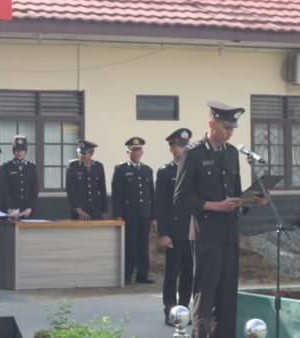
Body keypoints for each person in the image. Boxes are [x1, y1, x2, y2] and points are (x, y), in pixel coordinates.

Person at [174, 102, 268, 338]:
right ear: (212, 124)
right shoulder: (193, 154)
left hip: (229, 235)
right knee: (205, 296)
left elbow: (234, 197)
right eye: (226, 127)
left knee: (227, 297)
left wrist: (250, 200)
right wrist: (214, 206)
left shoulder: (231, 153)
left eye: (232, 127)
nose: (230, 132)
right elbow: (181, 198)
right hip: (206, 235)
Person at [156, 128, 194, 325]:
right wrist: (163, 233)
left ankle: (184, 310)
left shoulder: (194, 169)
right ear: (172, 148)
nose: (184, 148)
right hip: (174, 231)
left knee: (189, 273)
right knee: (172, 273)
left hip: (192, 230)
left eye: (186, 145)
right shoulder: (165, 172)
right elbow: (160, 206)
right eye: (180, 145)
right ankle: (170, 311)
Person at [112, 137, 156, 284]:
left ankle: (142, 274)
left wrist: (153, 217)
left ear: (142, 151)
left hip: (144, 213)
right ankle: (127, 274)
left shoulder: (147, 170)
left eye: (139, 150)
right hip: (128, 214)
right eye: (133, 150)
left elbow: (151, 194)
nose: (136, 153)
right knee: (129, 245)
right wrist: (117, 214)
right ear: (128, 152)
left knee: (143, 245)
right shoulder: (121, 169)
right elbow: (117, 194)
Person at [65, 140, 108, 220]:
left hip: (95, 210)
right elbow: (70, 190)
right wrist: (78, 209)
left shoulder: (98, 166)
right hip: (79, 212)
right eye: (79, 153)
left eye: (84, 153)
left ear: (91, 154)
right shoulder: (73, 166)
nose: (81, 156)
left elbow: (102, 190)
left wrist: (104, 211)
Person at [2, 135, 39, 218]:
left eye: (22, 150)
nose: (19, 153)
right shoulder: (6, 167)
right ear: (13, 151)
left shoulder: (31, 166)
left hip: (28, 210)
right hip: (13, 210)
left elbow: (35, 189)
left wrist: (30, 207)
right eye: (17, 150)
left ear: (25, 151)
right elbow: (5, 190)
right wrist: (9, 207)